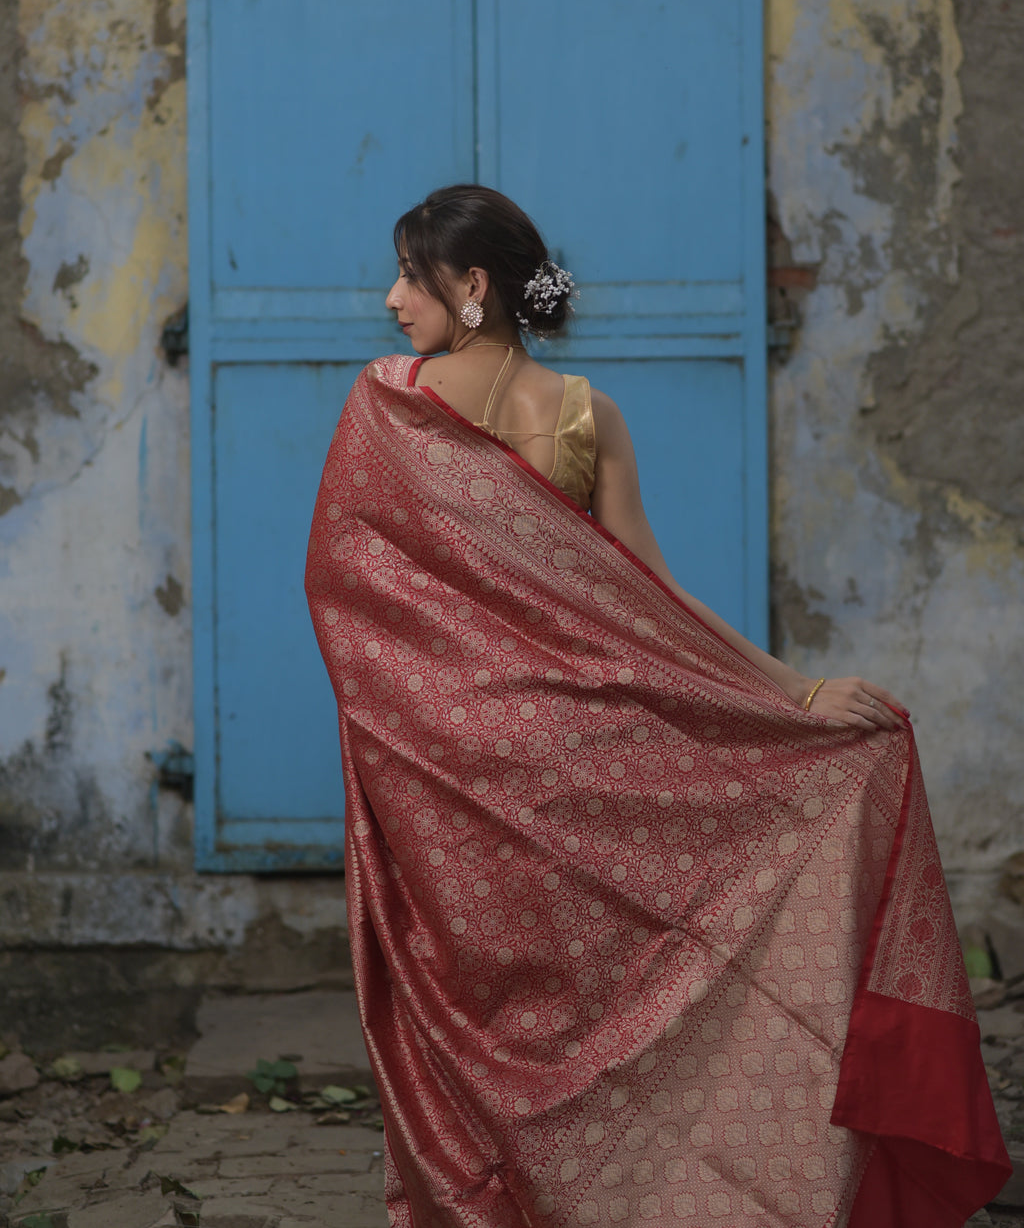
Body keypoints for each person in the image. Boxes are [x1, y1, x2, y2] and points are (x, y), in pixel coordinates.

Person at [306, 184, 1008, 1228]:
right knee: (616, 999)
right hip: (591, 757)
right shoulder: (586, 414)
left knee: (496, 1011)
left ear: (470, 286)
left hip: (458, 778)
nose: (390, 296)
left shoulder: (389, 402)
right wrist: (795, 694)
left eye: (410, 274)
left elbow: (345, 580)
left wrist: (431, 715)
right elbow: (658, 596)